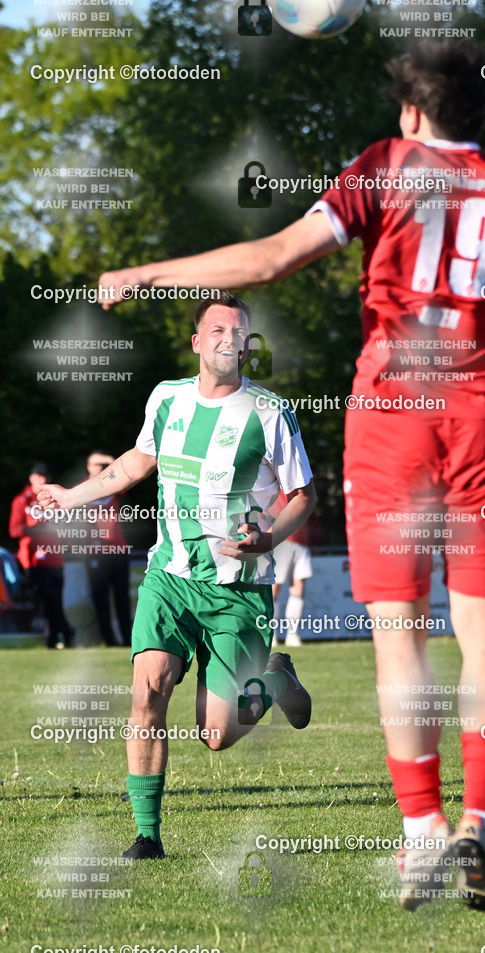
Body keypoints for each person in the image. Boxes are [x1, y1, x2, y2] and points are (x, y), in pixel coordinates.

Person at [97, 41, 485, 909]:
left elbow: (273, 257)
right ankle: (480, 824)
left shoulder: (386, 167)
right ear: (481, 115)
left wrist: (147, 273)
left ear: (412, 113)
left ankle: (422, 834)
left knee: (400, 631)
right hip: (477, 420)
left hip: (392, 419)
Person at [37, 292, 317, 860]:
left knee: (215, 735)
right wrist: (71, 497)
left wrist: (268, 538)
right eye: (217, 330)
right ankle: (147, 836)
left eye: (239, 332)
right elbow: (135, 464)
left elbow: (305, 496)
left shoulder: (269, 414)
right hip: (168, 578)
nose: (228, 340)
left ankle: (274, 677)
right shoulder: (166, 400)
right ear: (197, 341)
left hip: (235, 588)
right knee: (146, 693)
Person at [9, 463, 75, 648]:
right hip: (34, 560)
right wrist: (39, 529)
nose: (42, 480)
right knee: (51, 598)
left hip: (56, 557)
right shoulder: (22, 500)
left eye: (45, 477)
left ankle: (52, 640)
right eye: (38, 476)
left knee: (53, 602)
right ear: (31, 478)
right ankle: (68, 631)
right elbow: (14, 530)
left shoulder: (54, 499)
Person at [84, 451, 133, 646]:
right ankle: (109, 640)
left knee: (122, 598)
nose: (100, 468)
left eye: (103, 466)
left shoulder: (110, 484)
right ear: (88, 466)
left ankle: (127, 639)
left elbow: (125, 476)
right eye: (96, 465)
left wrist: (110, 462)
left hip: (118, 549)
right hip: (95, 552)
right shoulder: (82, 488)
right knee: (101, 598)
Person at [270, 489, 319, 646]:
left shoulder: (304, 484)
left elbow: (310, 511)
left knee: (298, 588)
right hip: (281, 540)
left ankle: (293, 635)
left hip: (302, 543)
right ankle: (272, 635)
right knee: (274, 589)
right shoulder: (277, 485)